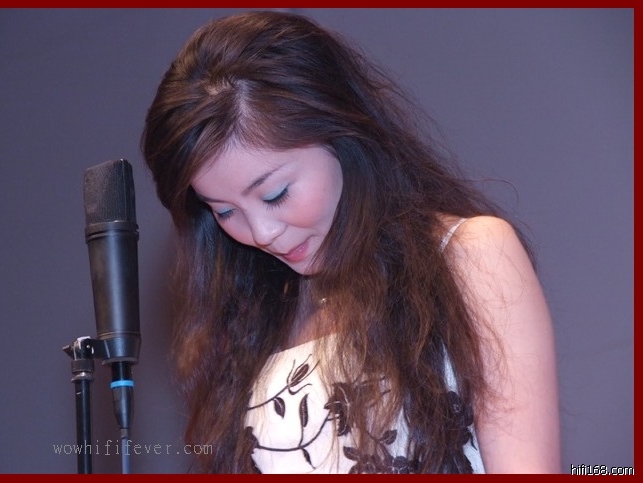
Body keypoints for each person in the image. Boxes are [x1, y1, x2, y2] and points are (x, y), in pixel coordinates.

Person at [141, 10, 560, 474]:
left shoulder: (469, 254)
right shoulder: (259, 313)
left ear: (341, 133)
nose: (261, 232)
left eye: (275, 194)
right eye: (224, 212)